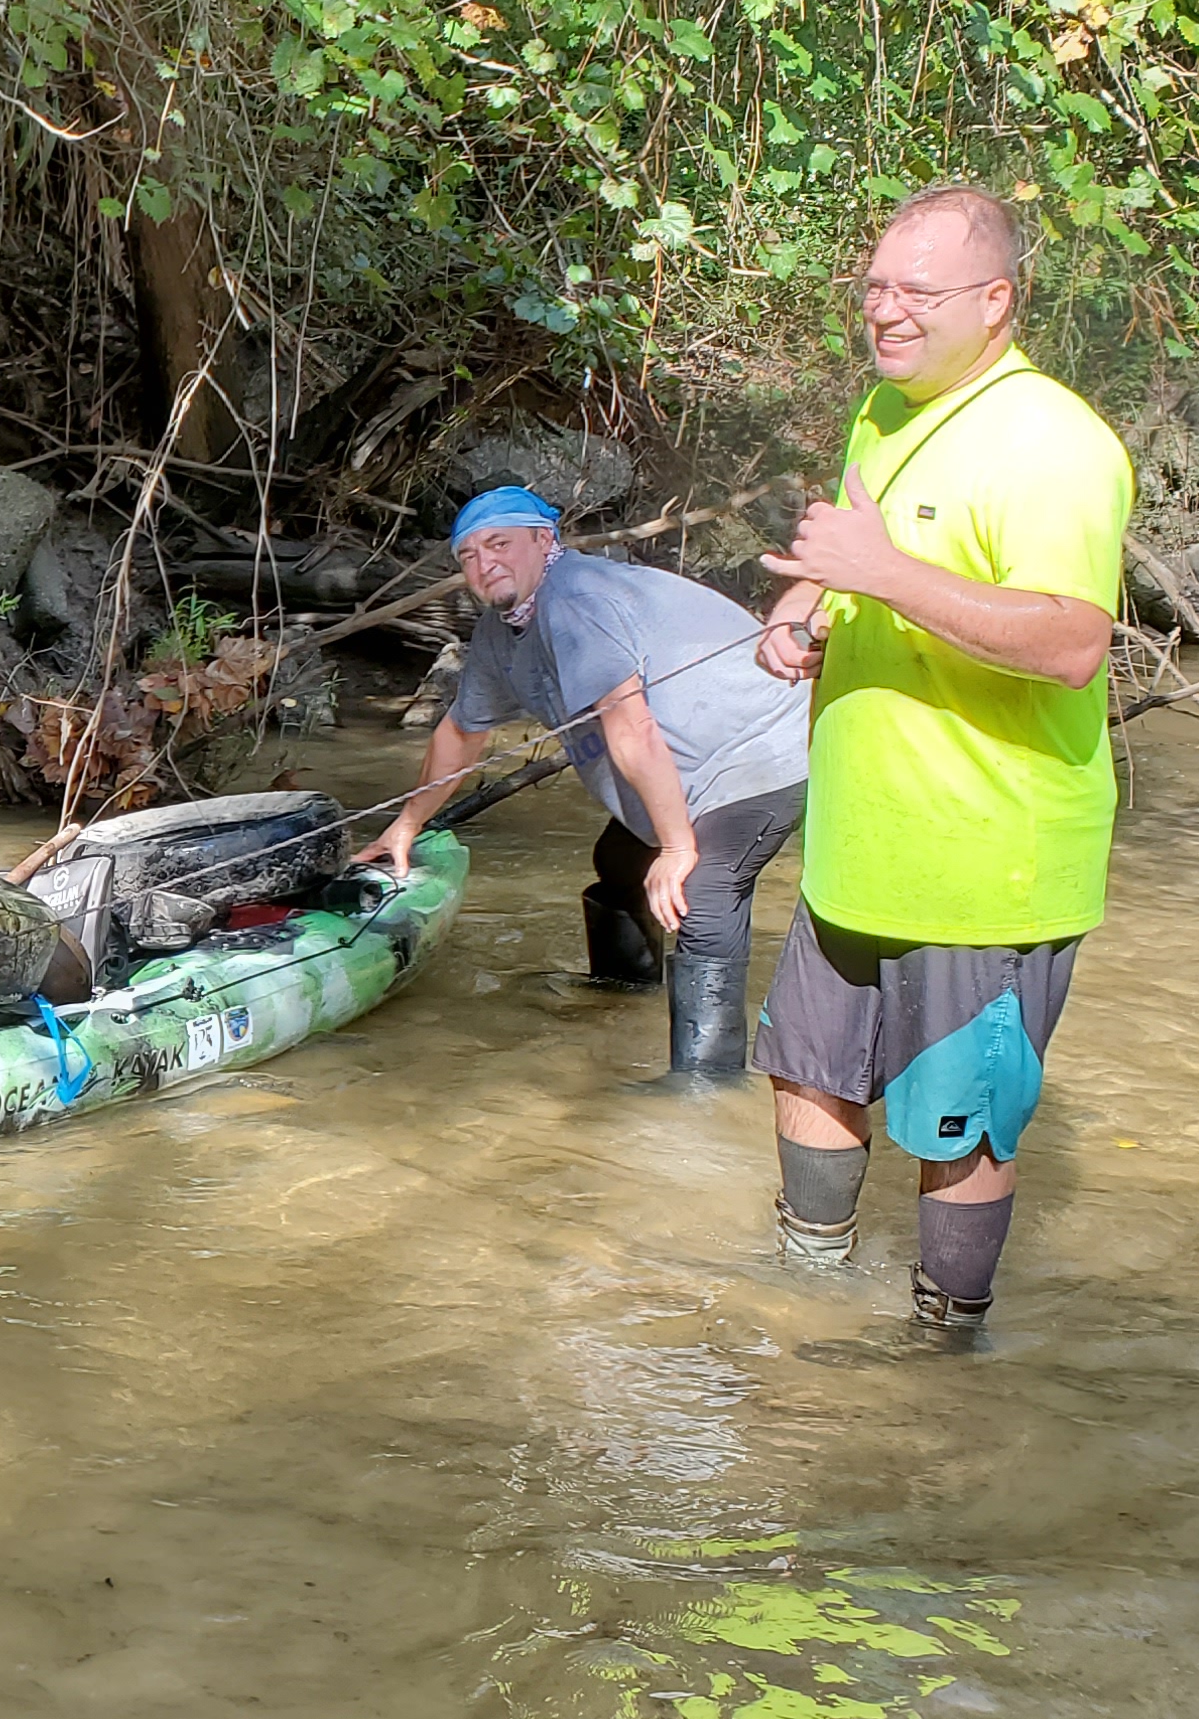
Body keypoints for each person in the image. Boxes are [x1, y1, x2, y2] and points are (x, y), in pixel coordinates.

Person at [750, 183, 1131, 1342]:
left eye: (919, 291)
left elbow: (1073, 643)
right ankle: (803, 1321)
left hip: (986, 867)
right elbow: (867, 545)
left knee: (959, 1124)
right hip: (856, 855)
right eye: (875, 286)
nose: (888, 310)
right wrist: (806, 604)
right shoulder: (886, 408)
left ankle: (942, 1365)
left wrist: (880, 575)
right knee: (808, 1075)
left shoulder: (1054, 443)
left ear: (998, 301)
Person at [359, 486, 809, 1074]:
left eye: (500, 544)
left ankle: (707, 1081)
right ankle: (625, 997)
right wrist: (407, 824)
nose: (484, 562)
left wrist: (676, 848)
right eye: (467, 555)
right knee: (621, 864)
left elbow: (632, 731)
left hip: (760, 757)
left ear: (545, 542)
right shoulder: (501, 633)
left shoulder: (575, 599)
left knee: (700, 890)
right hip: (685, 770)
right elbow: (461, 734)